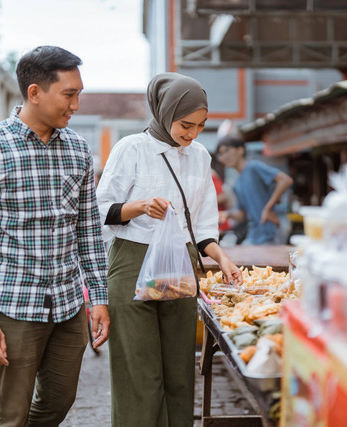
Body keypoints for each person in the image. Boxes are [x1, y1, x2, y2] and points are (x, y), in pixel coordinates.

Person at [0, 46, 110, 426]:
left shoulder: (78, 150)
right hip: (14, 306)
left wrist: (99, 298)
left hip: (69, 305)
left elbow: (88, 229)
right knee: (10, 414)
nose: (76, 105)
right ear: (35, 92)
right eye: (68, 94)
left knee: (60, 400)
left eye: (79, 94)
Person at [96, 72, 243, 426]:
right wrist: (140, 207)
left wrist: (223, 258)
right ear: (164, 113)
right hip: (133, 261)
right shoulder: (131, 148)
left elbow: (204, 223)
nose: (192, 134)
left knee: (179, 370)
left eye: (201, 126)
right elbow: (99, 209)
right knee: (140, 372)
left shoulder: (200, 156)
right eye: (185, 124)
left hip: (181, 264)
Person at [216, 136, 294, 245]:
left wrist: (268, 208)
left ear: (240, 150)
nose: (224, 156)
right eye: (220, 154)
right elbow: (242, 214)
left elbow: (286, 180)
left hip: (270, 230)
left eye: (227, 151)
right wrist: (227, 214)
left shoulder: (253, 167)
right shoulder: (237, 183)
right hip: (254, 234)